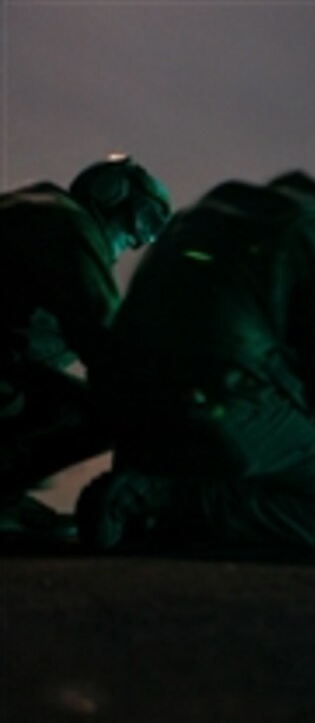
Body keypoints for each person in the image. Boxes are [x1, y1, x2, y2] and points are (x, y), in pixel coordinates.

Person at [77, 171, 315, 551]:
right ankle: (151, 502)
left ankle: (149, 505)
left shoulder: (198, 221)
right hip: (213, 396)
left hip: (132, 405)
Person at [0, 155, 171, 537]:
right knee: (106, 412)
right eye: (143, 217)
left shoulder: (31, 211)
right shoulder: (66, 224)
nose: (140, 237)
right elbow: (104, 336)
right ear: (111, 192)